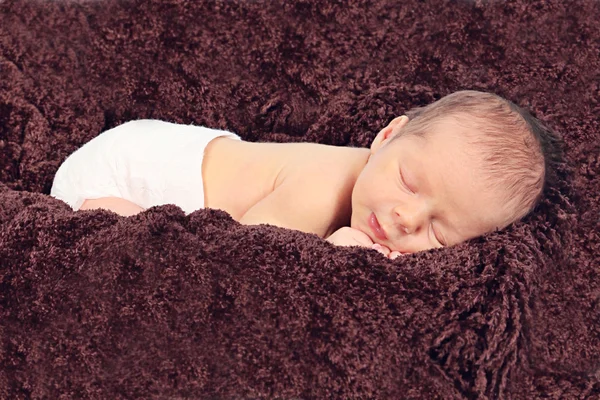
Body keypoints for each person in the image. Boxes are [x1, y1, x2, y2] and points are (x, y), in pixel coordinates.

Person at [50, 90, 562, 259]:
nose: (407, 218)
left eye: (439, 231)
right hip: (116, 174)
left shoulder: (376, 186)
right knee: (151, 240)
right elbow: (241, 255)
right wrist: (337, 254)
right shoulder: (321, 190)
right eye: (410, 182)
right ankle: (95, 214)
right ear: (386, 136)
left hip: (166, 143)